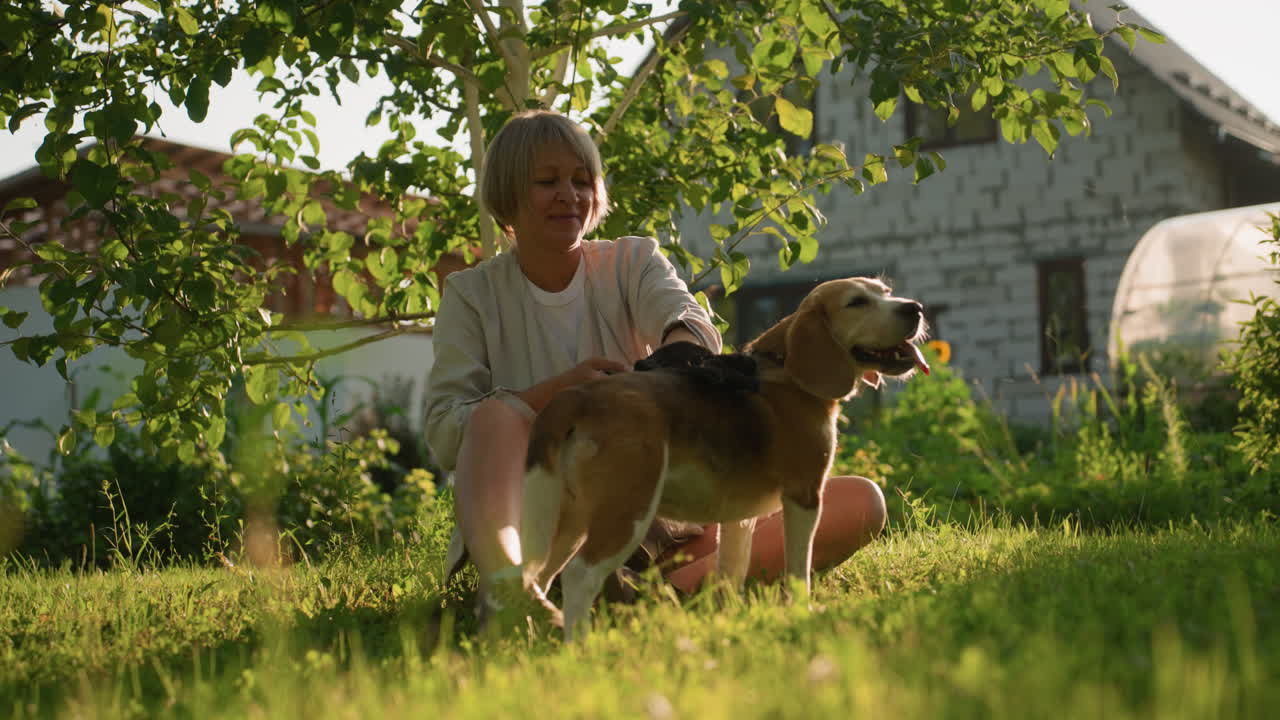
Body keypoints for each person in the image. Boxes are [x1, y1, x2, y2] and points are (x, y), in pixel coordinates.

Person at [423, 109, 887, 620]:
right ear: (508, 195)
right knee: (493, 416)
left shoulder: (632, 260)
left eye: (582, 180)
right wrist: (554, 394)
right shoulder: (472, 295)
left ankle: (654, 598)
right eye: (547, 181)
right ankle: (511, 590)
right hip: (549, 515)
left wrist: (672, 359)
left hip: (661, 504)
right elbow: (447, 431)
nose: (569, 195)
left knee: (859, 503)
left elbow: (689, 322)